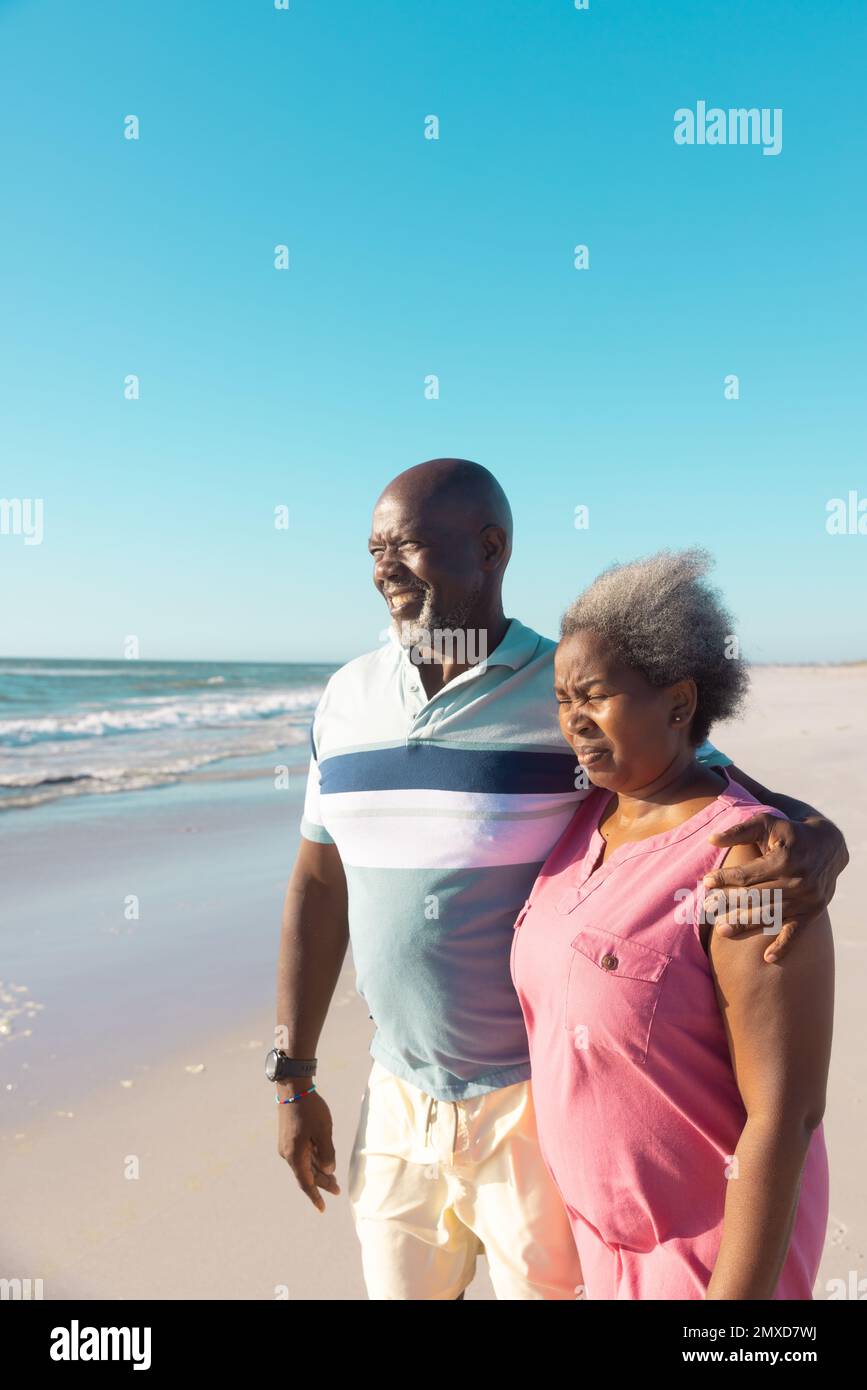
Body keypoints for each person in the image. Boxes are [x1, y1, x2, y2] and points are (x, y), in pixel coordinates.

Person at [273, 459, 846, 1301]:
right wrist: (294, 1073)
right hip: (395, 1090)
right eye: (372, 550)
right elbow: (319, 888)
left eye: (408, 547)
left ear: (490, 547)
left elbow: (710, 787)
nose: (383, 569)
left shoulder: (566, 687)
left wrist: (821, 840)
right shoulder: (344, 699)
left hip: (535, 1109)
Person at [511, 548, 833, 1299]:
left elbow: (785, 1116)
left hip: (711, 1259)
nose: (573, 722)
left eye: (593, 694)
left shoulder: (747, 858)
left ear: (680, 704)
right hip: (601, 1246)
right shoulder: (582, 824)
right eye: (562, 700)